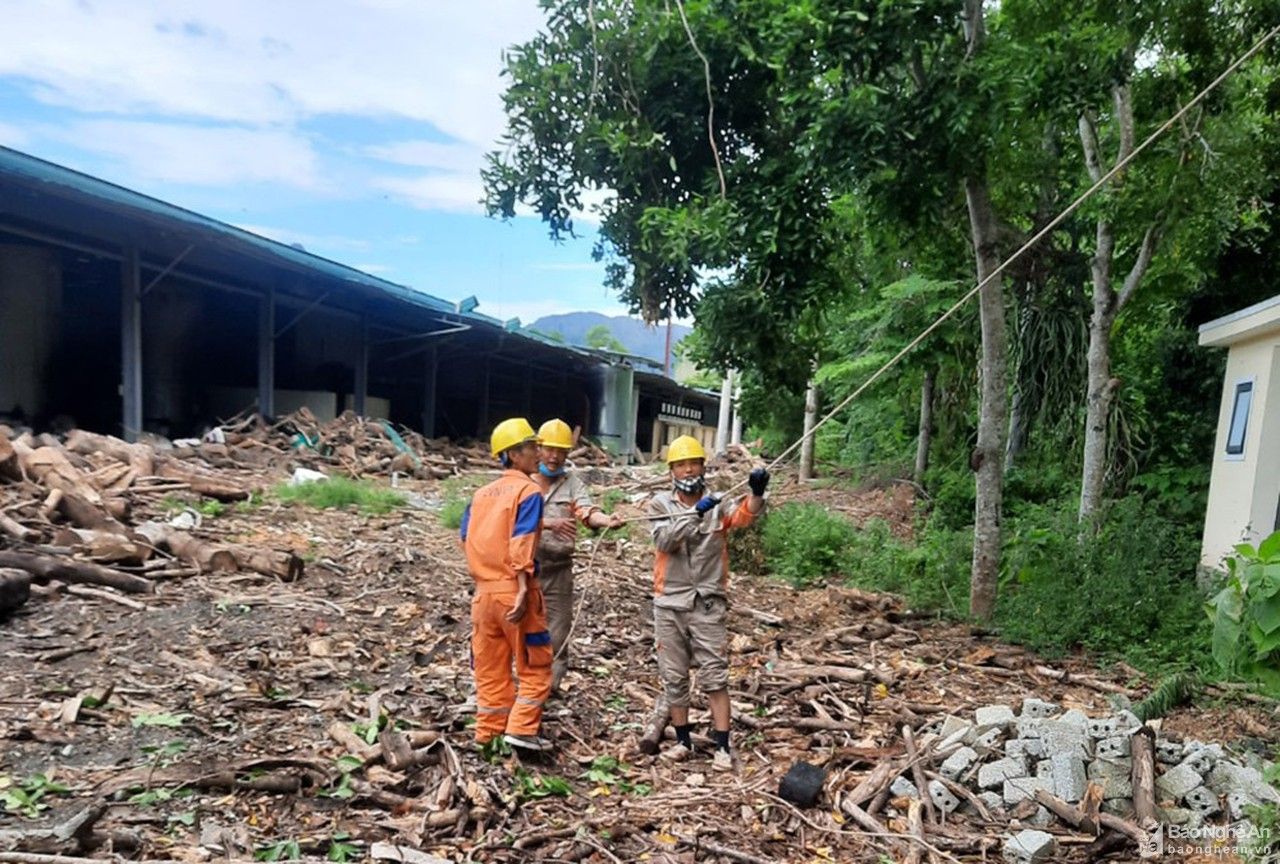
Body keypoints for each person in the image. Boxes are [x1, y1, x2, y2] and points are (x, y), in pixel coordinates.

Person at [646, 435, 768, 771]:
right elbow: (665, 540)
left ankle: (723, 749)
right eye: (681, 464)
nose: (688, 469)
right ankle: (683, 741)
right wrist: (693, 515)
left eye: (694, 463)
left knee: (715, 676)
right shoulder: (659, 505)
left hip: (708, 604)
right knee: (674, 676)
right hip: (669, 603)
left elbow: (744, 516)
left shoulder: (720, 503)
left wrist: (757, 494)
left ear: (703, 466)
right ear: (671, 470)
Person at [459, 417, 553, 752]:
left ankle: (489, 734)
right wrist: (524, 586)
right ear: (513, 455)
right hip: (514, 592)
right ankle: (522, 729)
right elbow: (521, 541)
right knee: (535, 663)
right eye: (531, 448)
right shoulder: (529, 491)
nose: (538, 453)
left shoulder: (481, 495)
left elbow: (465, 538)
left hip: (483, 595)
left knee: (490, 666)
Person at [530, 418, 624, 693]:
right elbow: (510, 521)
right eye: (549, 449)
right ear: (538, 448)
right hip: (525, 567)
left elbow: (586, 511)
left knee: (558, 631)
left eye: (561, 451)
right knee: (523, 627)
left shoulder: (572, 483)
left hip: (559, 569)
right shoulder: (523, 480)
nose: (555, 456)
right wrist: (548, 524)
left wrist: (606, 520)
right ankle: (524, 683)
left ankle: (550, 687)